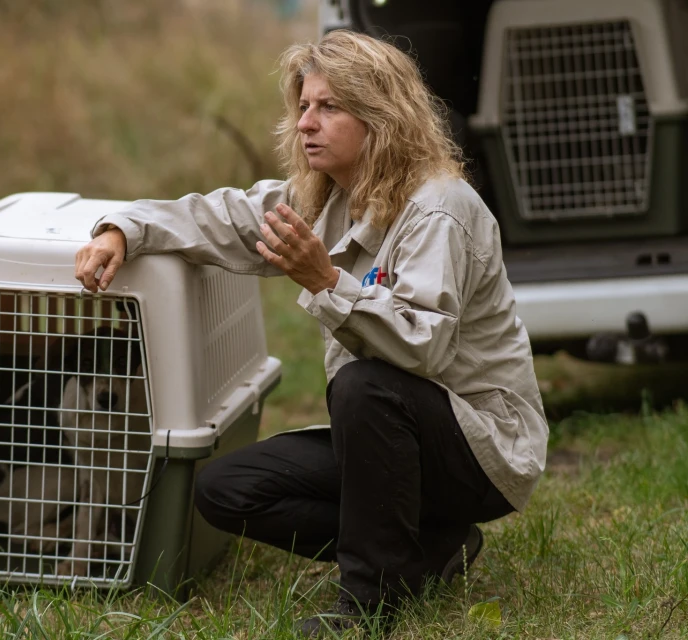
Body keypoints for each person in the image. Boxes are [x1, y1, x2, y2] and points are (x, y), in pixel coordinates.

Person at [74, 30, 547, 637]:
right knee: (227, 490)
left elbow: (423, 348)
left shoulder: (439, 208)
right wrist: (121, 229)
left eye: (329, 107)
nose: (306, 123)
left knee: (364, 387)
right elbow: (221, 216)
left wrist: (325, 281)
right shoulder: (327, 197)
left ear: (380, 116)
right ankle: (433, 551)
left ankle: (369, 602)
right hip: (391, 437)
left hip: (484, 450)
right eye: (303, 106)